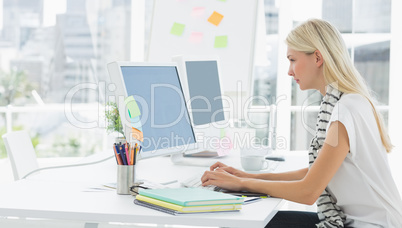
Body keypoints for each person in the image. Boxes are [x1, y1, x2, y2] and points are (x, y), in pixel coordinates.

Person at [201, 19, 402, 227]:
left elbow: (308, 192)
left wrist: (242, 183)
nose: (289, 71)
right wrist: (247, 176)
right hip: (361, 221)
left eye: (292, 60)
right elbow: (315, 174)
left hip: (373, 225)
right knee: (247, 220)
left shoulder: (345, 110)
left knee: (240, 223)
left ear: (317, 57)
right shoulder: (343, 102)